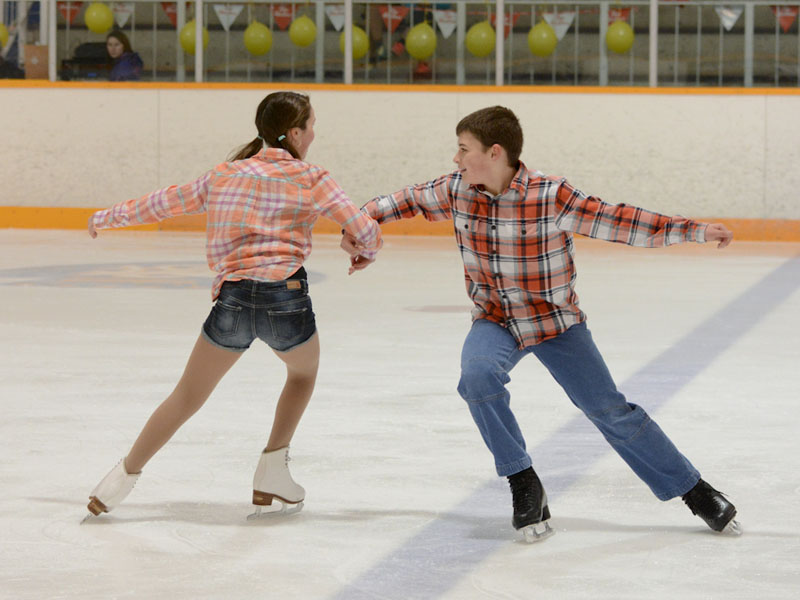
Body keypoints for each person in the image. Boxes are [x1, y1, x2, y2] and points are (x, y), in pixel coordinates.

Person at [342, 105, 739, 542]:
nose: (456, 158)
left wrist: (696, 230)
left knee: (609, 410)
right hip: (496, 320)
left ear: (495, 153)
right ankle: (523, 480)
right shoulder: (457, 189)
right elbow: (402, 200)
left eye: (464, 149)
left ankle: (694, 490)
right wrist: (358, 229)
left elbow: (621, 222)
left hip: (556, 324)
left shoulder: (551, 195)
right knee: (477, 377)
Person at [83, 91, 382, 521]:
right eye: (312, 125)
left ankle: (120, 479)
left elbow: (162, 203)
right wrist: (363, 250)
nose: (314, 133)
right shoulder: (313, 177)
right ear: (295, 132)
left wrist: (106, 217)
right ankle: (272, 469)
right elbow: (364, 229)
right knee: (302, 373)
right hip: (286, 301)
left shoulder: (223, 175)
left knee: (187, 396)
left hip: (233, 301)